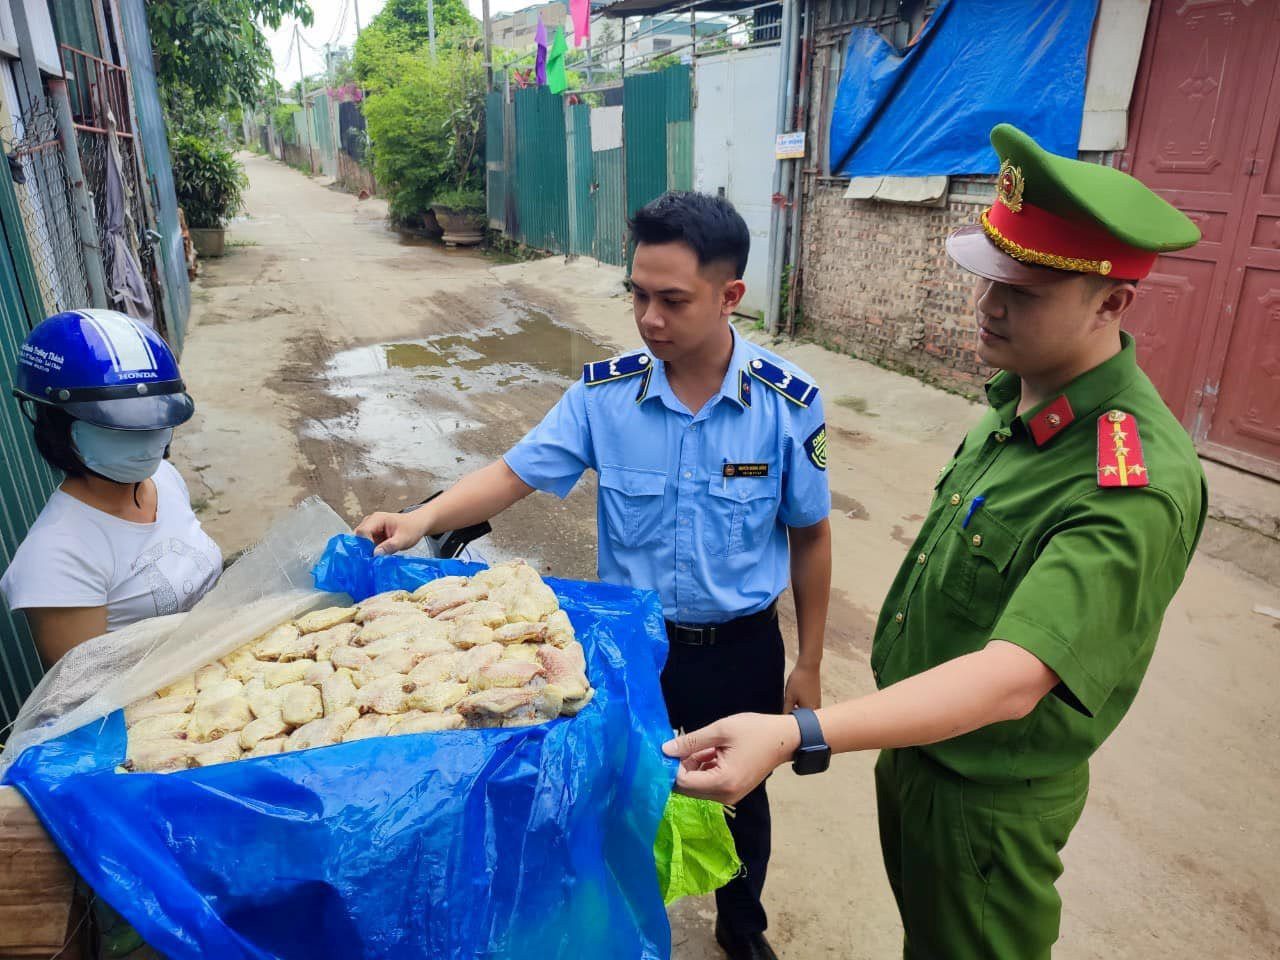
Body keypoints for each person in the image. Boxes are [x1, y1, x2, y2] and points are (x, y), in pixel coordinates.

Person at [663, 123, 1207, 959]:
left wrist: (799, 732)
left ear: (1112, 303)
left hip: (986, 799)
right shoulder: (1018, 404)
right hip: (918, 752)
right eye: (990, 279)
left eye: (1023, 292)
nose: (988, 307)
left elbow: (1012, 680)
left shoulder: (1127, 480)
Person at [357, 191, 832, 960]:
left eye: (672, 300)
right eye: (637, 295)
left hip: (740, 647)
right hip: (630, 646)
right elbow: (512, 473)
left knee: (744, 795)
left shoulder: (786, 405)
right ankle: (627, 930)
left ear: (730, 296)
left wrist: (808, 662)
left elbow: (810, 537)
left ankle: (742, 929)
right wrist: (420, 521)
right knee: (621, 791)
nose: (649, 319)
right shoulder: (604, 397)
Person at [1, 308, 221, 668]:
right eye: (121, 426)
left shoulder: (163, 478)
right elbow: (87, 693)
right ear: (56, 425)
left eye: (155, 421)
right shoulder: (55, 557)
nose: (147, 441)